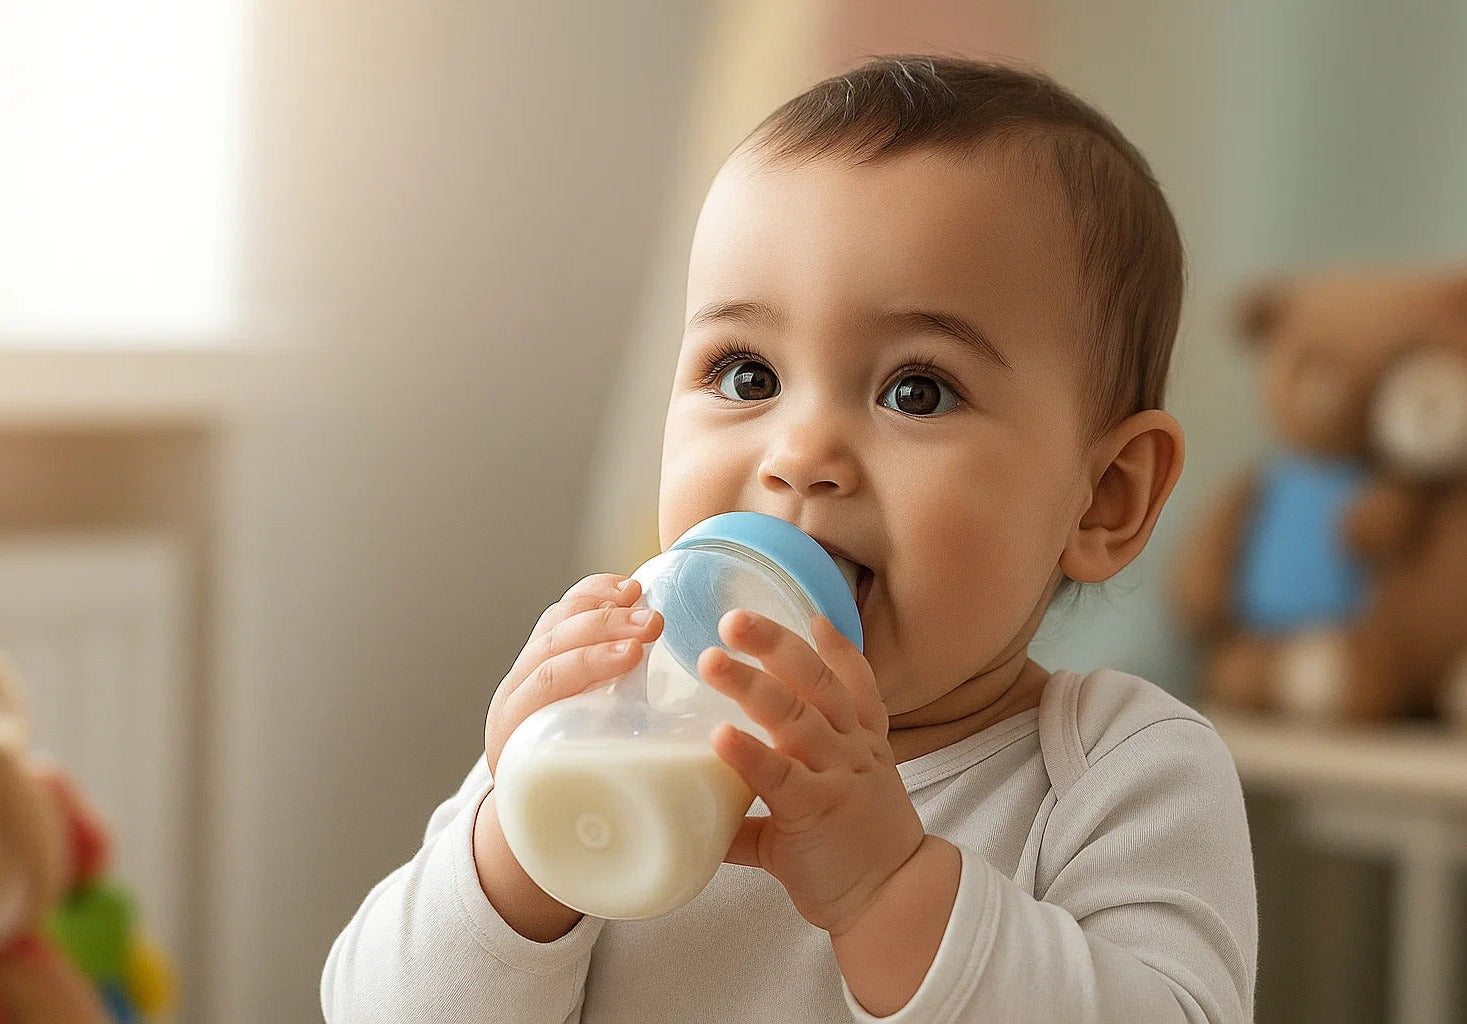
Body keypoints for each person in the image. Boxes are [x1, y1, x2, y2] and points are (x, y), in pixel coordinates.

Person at [322, 55, 1257, 1023]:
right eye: (746, 375)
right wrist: (517, 855)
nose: (801, 452)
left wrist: (887, 890)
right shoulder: (614, 719)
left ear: (1104, 496)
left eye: (916, 389)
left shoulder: (1120, 773)